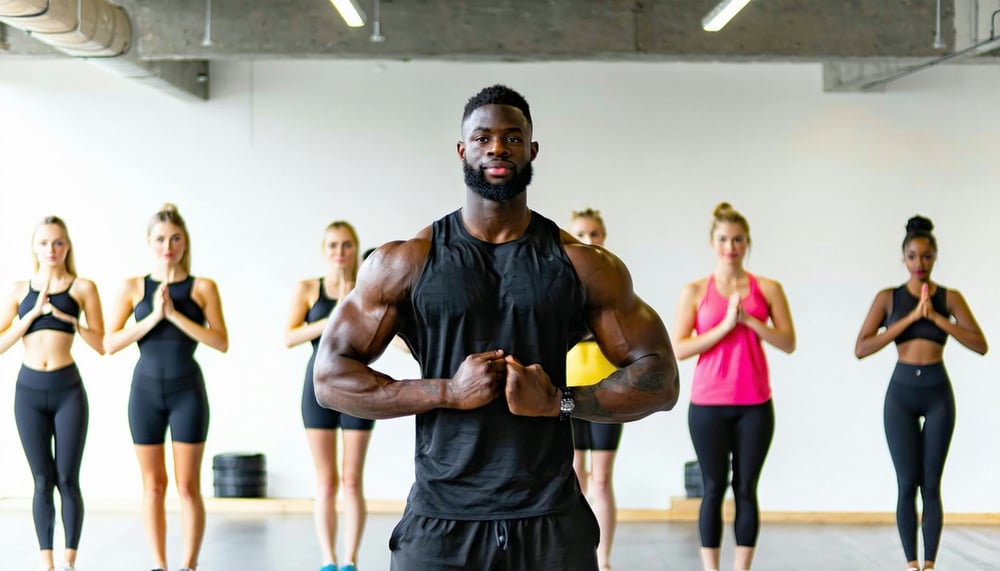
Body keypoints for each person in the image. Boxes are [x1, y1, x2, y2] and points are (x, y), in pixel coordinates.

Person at [313, 84, 680, 571]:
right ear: (463, 151)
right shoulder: (406, 262)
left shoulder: (583, 265)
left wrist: (558, 401)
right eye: (483, 138)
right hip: (441, 521)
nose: (497, 148)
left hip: (550, 520)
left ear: (532, 149)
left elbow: (661, 380)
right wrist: (446, 390)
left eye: (512, 137)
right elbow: (329, 378)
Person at [854, 215, 987, 571]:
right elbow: (862, 347)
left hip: (937, 391)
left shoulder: (949, 298)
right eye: (913, 256)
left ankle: (930, 564)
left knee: (931, 482)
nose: (919, 264)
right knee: (906, 482)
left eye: (926, 257)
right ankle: (911, 564)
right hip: (901, 395)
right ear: (904, 258)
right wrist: (911, 318)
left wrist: (938, 318)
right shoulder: (889, 298)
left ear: (935, 257)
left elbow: (980, 344)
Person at [104, 203, 228, 571]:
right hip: (144, 393)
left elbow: (220, 341)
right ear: (149, 241)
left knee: (188, 486)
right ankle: (159, 563)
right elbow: (110, 343)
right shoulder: (133, 288)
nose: (167, 245)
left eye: (175, 238)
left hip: (187, 392)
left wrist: (175, 315)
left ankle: (189, 564)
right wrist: (155, 316)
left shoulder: (202, 287)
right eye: (160, 239)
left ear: (185, 241)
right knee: (153, 485)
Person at [672, 202, 795, 571]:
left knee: (745, 489)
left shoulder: (768, 288)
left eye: (738, 239)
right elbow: (678, 348)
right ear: (713, 243)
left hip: (755, 404)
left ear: (747, 243)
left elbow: (788, 342)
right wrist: (724, 326)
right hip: (708, 405)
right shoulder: (694, 291)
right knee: (712, 489)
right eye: (724, 239)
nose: (731, 246)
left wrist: (750, 321)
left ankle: (742, 569)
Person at [0, 216, 104, 571]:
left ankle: (70, 561)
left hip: (67, 389)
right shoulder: (19, 290)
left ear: (68, 246)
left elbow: (102, 343)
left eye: (58, 243)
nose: (52, 250)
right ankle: (48, 563)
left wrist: (70, 319)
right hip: (29, 391)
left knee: (67, 478)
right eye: (44, 243)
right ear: (34, 247)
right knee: (42, 479)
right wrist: (29, 317)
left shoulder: (82, 288)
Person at [285, 221, 373, 571]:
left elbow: (386, 333)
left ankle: (350, 560)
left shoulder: (367, 289)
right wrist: (335, 316)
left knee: (351, 480)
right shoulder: (309, 289)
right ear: (325, 250)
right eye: (334, 245)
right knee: (326, 480)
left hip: (358, 385)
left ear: (356, 248)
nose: (340, 252)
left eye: (347, 245)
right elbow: (290, 336)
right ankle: (328, 559)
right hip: (317, 385)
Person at [566, 208, 622, 571]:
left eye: (595, 233)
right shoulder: (558, 283)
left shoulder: (614, 283)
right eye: (581, 234)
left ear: (604, 237)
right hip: (566, 388)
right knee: (572, 478)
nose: (589, 240)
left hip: (606, 392)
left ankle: (603, 563)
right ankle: (573, 558)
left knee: (601, 480)